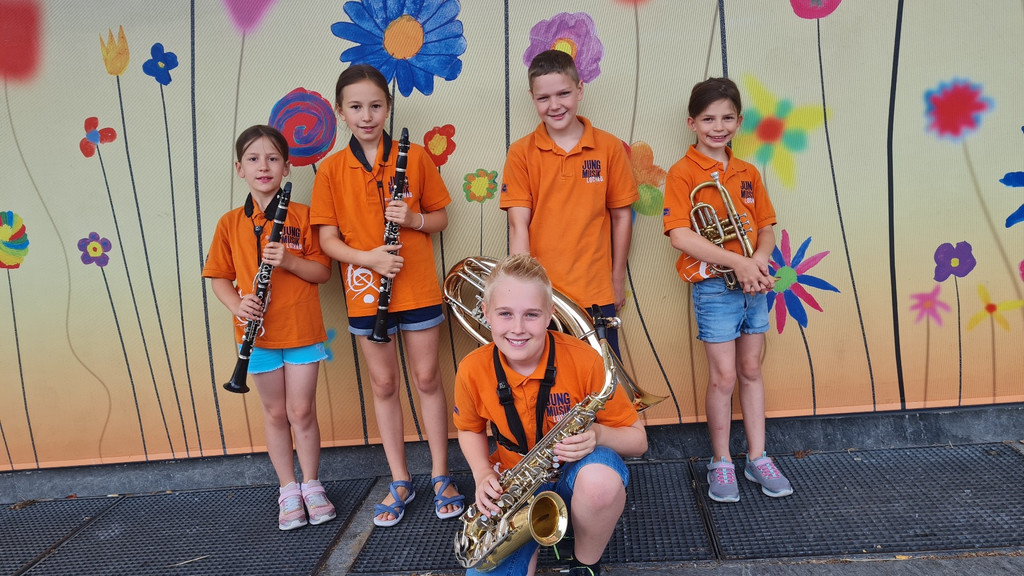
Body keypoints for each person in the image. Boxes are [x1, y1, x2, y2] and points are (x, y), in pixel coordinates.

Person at [310, 64, 463, 527]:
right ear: (340, 112)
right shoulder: (332, 169)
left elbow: (440, 218)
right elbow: (328, 241)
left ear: (389, 107)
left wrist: (413, 218)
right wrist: (369, 259)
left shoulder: (414, 157)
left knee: (428, 377)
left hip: (414, 286)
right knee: (383, 384)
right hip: (365, 292)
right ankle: (399, 478)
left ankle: (440, 474)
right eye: (355, 107)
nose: (367, 115)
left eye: (376, 105)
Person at [453, 254, 648, 576]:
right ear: (486, 314)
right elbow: (470, 429)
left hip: (577, 474)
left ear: (549, 315)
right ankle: (541, 533)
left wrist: (599, 435)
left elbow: (638, 441)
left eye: (531, 315)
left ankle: (585, 564)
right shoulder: (472, 369)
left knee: (601, 482)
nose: (517, 329)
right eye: (505, 314)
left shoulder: (585, 360)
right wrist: (481, 473)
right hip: (514, 486)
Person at [662, 77, 793, 503]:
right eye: (708, 119)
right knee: (723, 377)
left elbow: (766, 228)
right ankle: (721, 461)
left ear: (739, 121)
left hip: (754, 284)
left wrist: (758, 261)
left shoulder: (748, 172)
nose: (718, 127)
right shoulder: (683, 173)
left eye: (727, 118)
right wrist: (739, 262)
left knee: (751, 371)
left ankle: (758, 457)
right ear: (692, 122)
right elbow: (680, 234)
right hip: (716, 288)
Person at [203, 125, 336, 530]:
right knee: (276, 413)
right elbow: (219, 277)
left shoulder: (303, 216)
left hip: (301, 330)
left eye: (273, 158)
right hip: (255, 335)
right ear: (239, 168)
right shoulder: (229, 223)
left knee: (301, 410)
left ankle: (312, 484)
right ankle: (288, 488)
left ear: (287, 166)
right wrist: (237, 305)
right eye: (254, 159)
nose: (264, 166)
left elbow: (322, 272)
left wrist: (290, 261)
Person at [500, 49, 638, 357]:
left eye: (563, 93)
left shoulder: (609, 147)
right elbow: (517, 224)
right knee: (549, 382)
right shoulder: (521, 152)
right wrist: (523, 290)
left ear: (580, 90)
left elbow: (622, 217)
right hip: (543, 295)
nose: (555, 105)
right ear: (532, 98)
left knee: (601, 381)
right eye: (543, 98)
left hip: (596, 292)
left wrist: (617, 281)